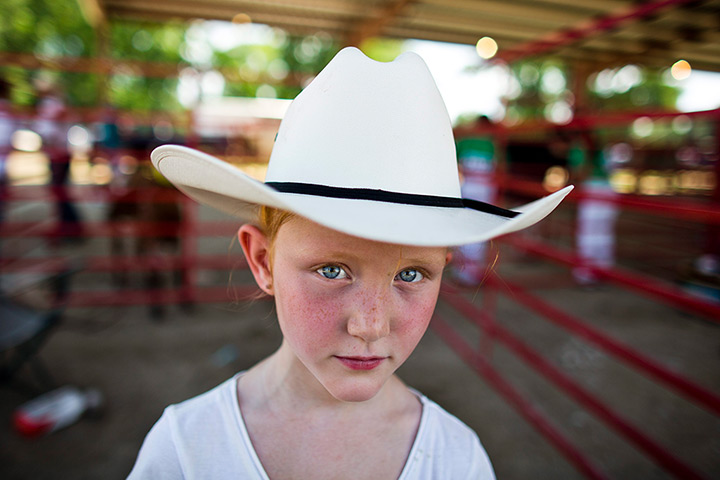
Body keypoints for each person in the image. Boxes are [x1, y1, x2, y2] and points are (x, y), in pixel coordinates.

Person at [128, 47, 572, 479]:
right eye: (332, 271)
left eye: (411, 274)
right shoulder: (185, 451)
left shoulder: (457, 461)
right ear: (263, 261)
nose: (371, 325)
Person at [453, 115, 502, 286]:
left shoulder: (465, 140)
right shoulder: (494, 143)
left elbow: (455, 163)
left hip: (468, 188)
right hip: (483, 190)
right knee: (479, 226)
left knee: (466, 224)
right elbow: (500, 167)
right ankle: (470, 271)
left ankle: (464, 270)